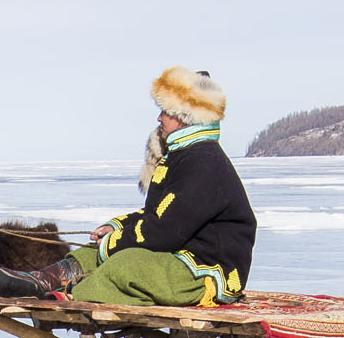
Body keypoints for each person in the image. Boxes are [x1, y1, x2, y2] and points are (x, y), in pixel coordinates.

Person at [64, 66, 255, 308]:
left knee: (126, 265)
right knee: (91, 252)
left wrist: (115, 242)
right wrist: (116, 227)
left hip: (206, 272)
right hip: (177, 256)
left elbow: (164, 231)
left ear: (185, 116)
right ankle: (41, 281)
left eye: (165, 111)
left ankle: (72, 293)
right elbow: (158, 215)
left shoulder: (203, 162)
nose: (159, 118)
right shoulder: (182, 155)